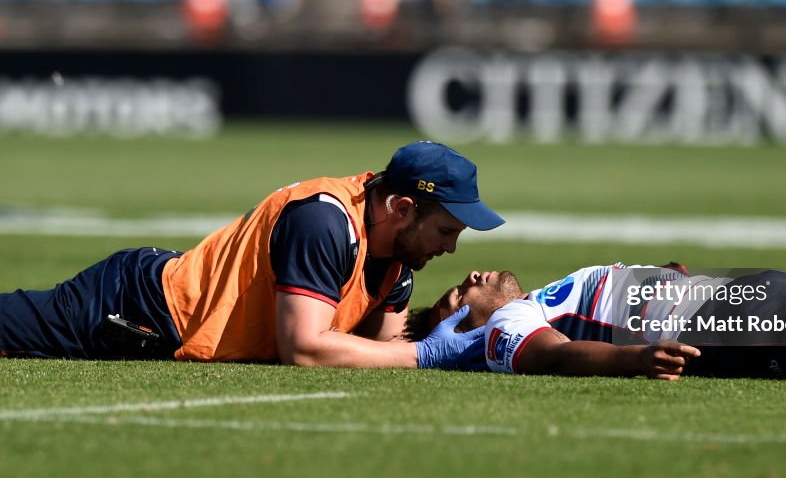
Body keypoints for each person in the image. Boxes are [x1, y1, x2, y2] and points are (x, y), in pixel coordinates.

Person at [0, 141, 501, 370]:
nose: (452, 248)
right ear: (402, 207)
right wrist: (428, 355)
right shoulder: (324, 221)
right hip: (137, 304)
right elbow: (304, 349)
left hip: (172, 310)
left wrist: (439, 324)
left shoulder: (397, 266)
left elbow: (376, 351)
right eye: (445, 230)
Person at [411, 264, 786, 385]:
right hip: (713, 320)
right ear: (458, 326)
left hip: (721, 298)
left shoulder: (538, 298)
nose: (471, 277)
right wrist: (634, 359)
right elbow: (557, 356)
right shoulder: (504, 329)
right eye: (457, 293)